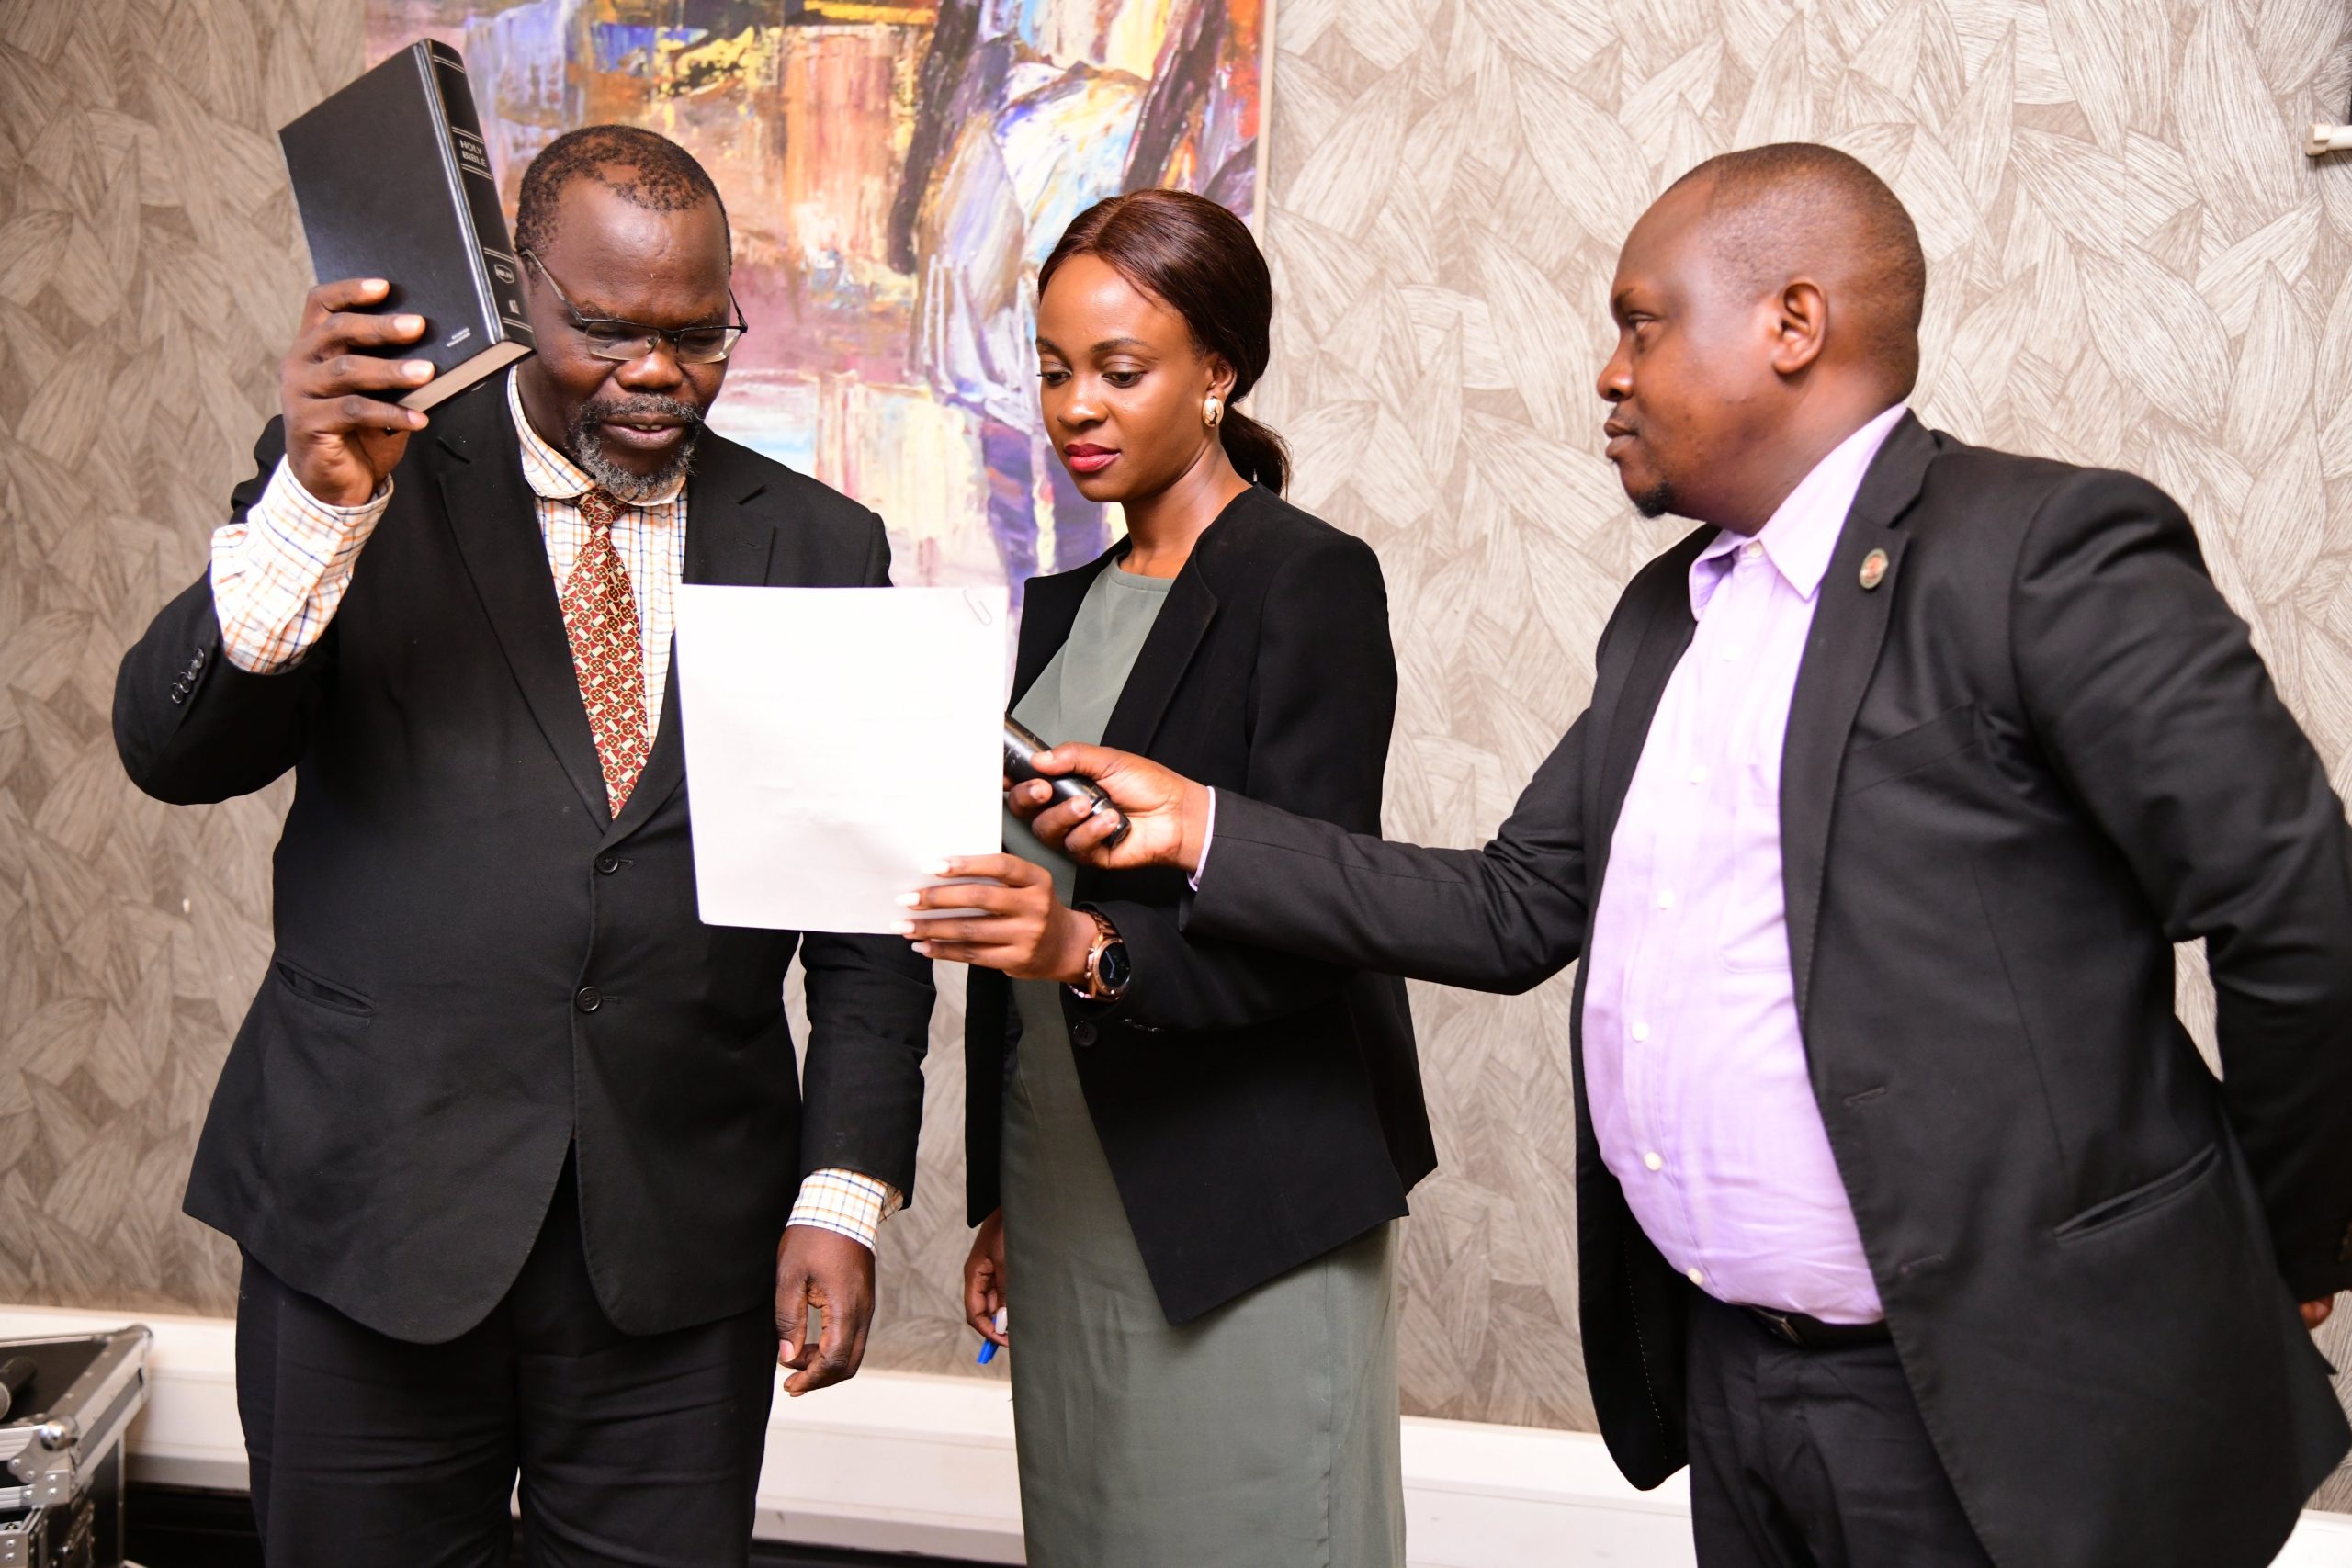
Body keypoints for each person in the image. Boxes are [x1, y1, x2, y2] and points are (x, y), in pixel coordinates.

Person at [1007, 145, 2352, 1568]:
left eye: (1641, 323)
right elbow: (1517, 905)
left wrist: (2294, 1239)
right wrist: (1205, 825)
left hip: (1998, 1401)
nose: (1607, 371)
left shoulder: (2036, 551)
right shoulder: (1669, 613)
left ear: (1792, 323)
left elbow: (2295, 905)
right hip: (1738, 1391)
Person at [112, 125, 934, 1566]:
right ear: (518, 297)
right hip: (369, 1222)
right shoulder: (368, 483)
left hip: (676, 1263)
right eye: (607, 329)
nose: (657, 371)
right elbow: (173, 752)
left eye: (697, 333)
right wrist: (318, 507)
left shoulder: (820, 546)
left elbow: (867, 924)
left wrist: (845, 1192)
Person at [900, 188, 1432, 1567]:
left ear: (1219, 372)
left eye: (1121, 372)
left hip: (1243, 1197)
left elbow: (1318, 916)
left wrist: (1086, 947)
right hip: (1073, 1190)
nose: (1079, 405)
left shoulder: (1307, 582)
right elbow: (1017, 931)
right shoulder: (1049, 609)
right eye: (1058, 367)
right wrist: (1010, 1193)